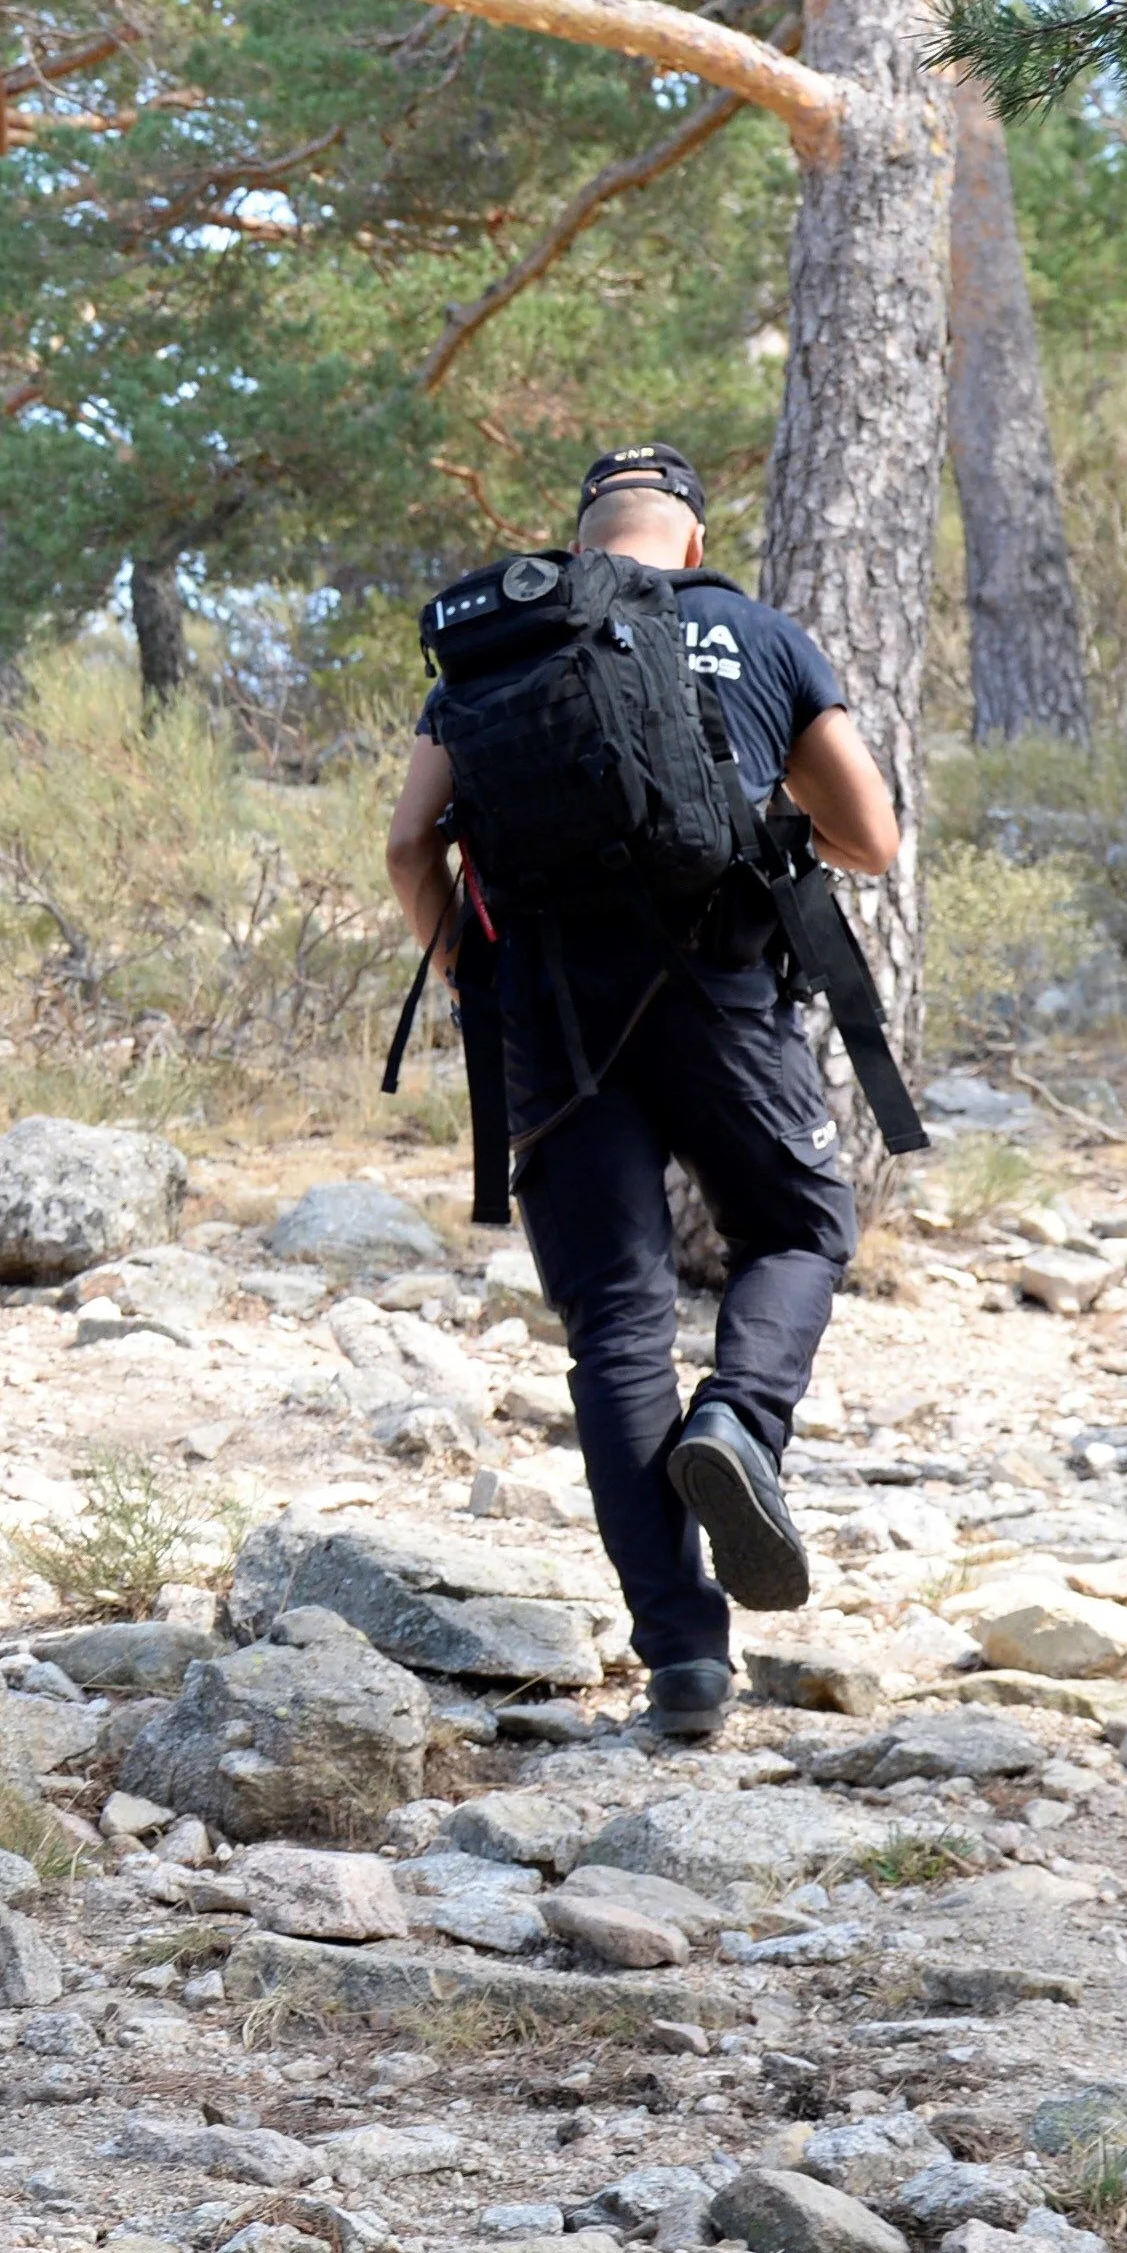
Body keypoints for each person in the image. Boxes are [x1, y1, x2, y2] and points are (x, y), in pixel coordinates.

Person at [381, 444, 904, 1745]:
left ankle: (682, 1665)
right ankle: (738, 1416)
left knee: (615, 1329)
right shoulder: (755, 632)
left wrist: (478, 976)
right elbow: (873, 841)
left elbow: (408, 845)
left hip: (550, 1022)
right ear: (688, 534)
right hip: (722, 992)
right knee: (796, 1230)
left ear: (582, 537)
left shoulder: (497, 649)